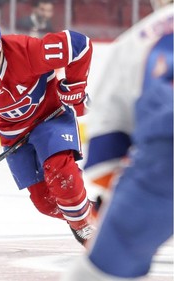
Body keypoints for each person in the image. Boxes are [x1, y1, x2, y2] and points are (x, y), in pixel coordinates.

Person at [0, 15, 96, 245]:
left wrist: (76, 84)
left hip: (51, 116)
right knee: (45, 202)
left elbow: (79, 44)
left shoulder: (27, 51)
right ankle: (99, 214)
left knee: (59, 170)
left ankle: (85, 227)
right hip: (13, 133)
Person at [61, 1, 173, 280]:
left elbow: (104, 153)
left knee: (98, 272)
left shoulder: (135, 42)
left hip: (164, 161)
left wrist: (115, 203)